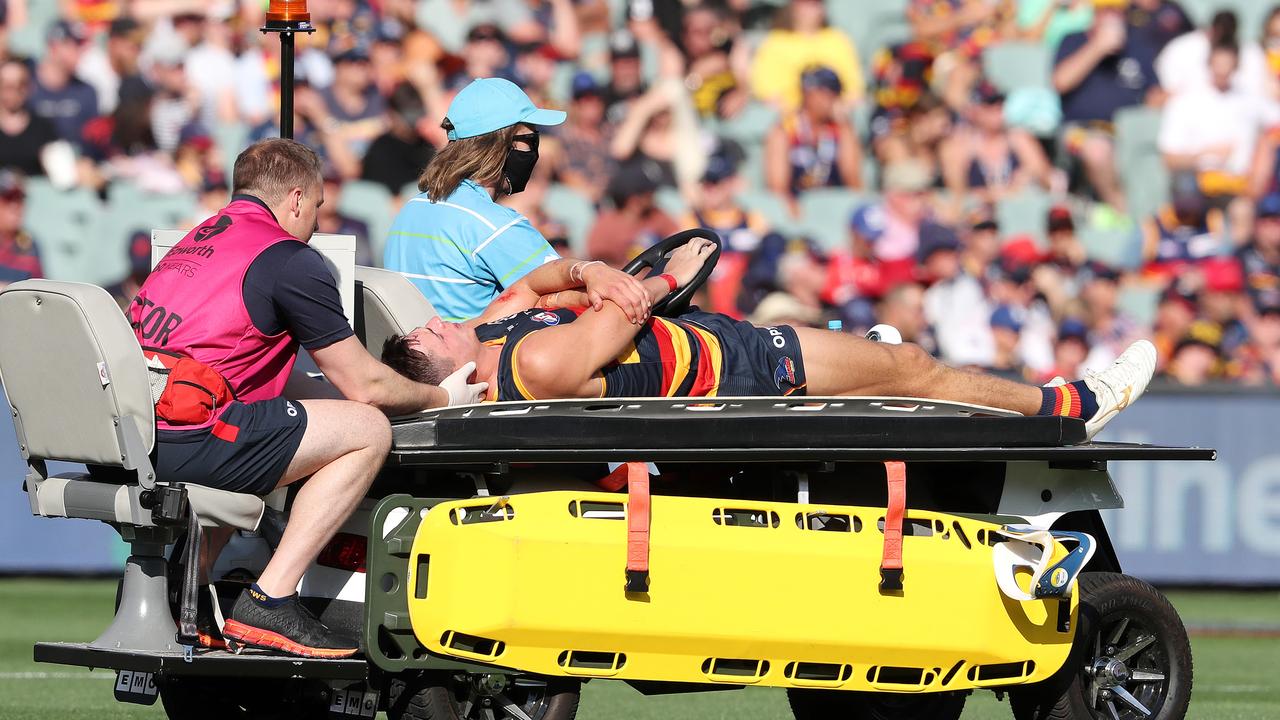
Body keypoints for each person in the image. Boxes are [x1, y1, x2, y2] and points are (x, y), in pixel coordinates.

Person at [132, 139, 486, 659]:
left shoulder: (195, 241)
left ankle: (188, 591)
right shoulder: (289, 259)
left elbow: (234, 364)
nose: (318, 224)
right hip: (193, 435)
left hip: (143, 428)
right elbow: (366, 386)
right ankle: (270, 600)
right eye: (318, 206)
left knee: (274, 430)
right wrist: (438, 396)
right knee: (368, 431)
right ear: (296, 198)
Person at [385, 237, 1158, 441]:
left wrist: (589, 268)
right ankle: (1067, 404)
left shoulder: (496, 328)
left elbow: (540, 281)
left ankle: (871, 362)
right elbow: (616, 320)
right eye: (430, 332)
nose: (436, 318)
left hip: (721, 343)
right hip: (743, 371)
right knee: (915, 365)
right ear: (446, 365)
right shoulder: (533, 363)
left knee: (889, 361)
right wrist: (659, 279)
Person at [384, 77, 649, 323]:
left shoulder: (410, 210)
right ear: (501, 145)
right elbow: (585, 299)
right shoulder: (493, 225)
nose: (536, 150)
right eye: (530, 138)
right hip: (477, 366)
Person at [1053, 0, 1162, 211]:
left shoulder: (1137, 44)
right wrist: (1098, 47)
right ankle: (1126, 214)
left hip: (1125, 133)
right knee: (1097, 149)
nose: (1112, 17)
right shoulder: (1073, 40)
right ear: (1095, 13)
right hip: (1079, 132)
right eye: (1106, 11)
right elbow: (1060, 82)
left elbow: (1154, 94)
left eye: (1117, 12)